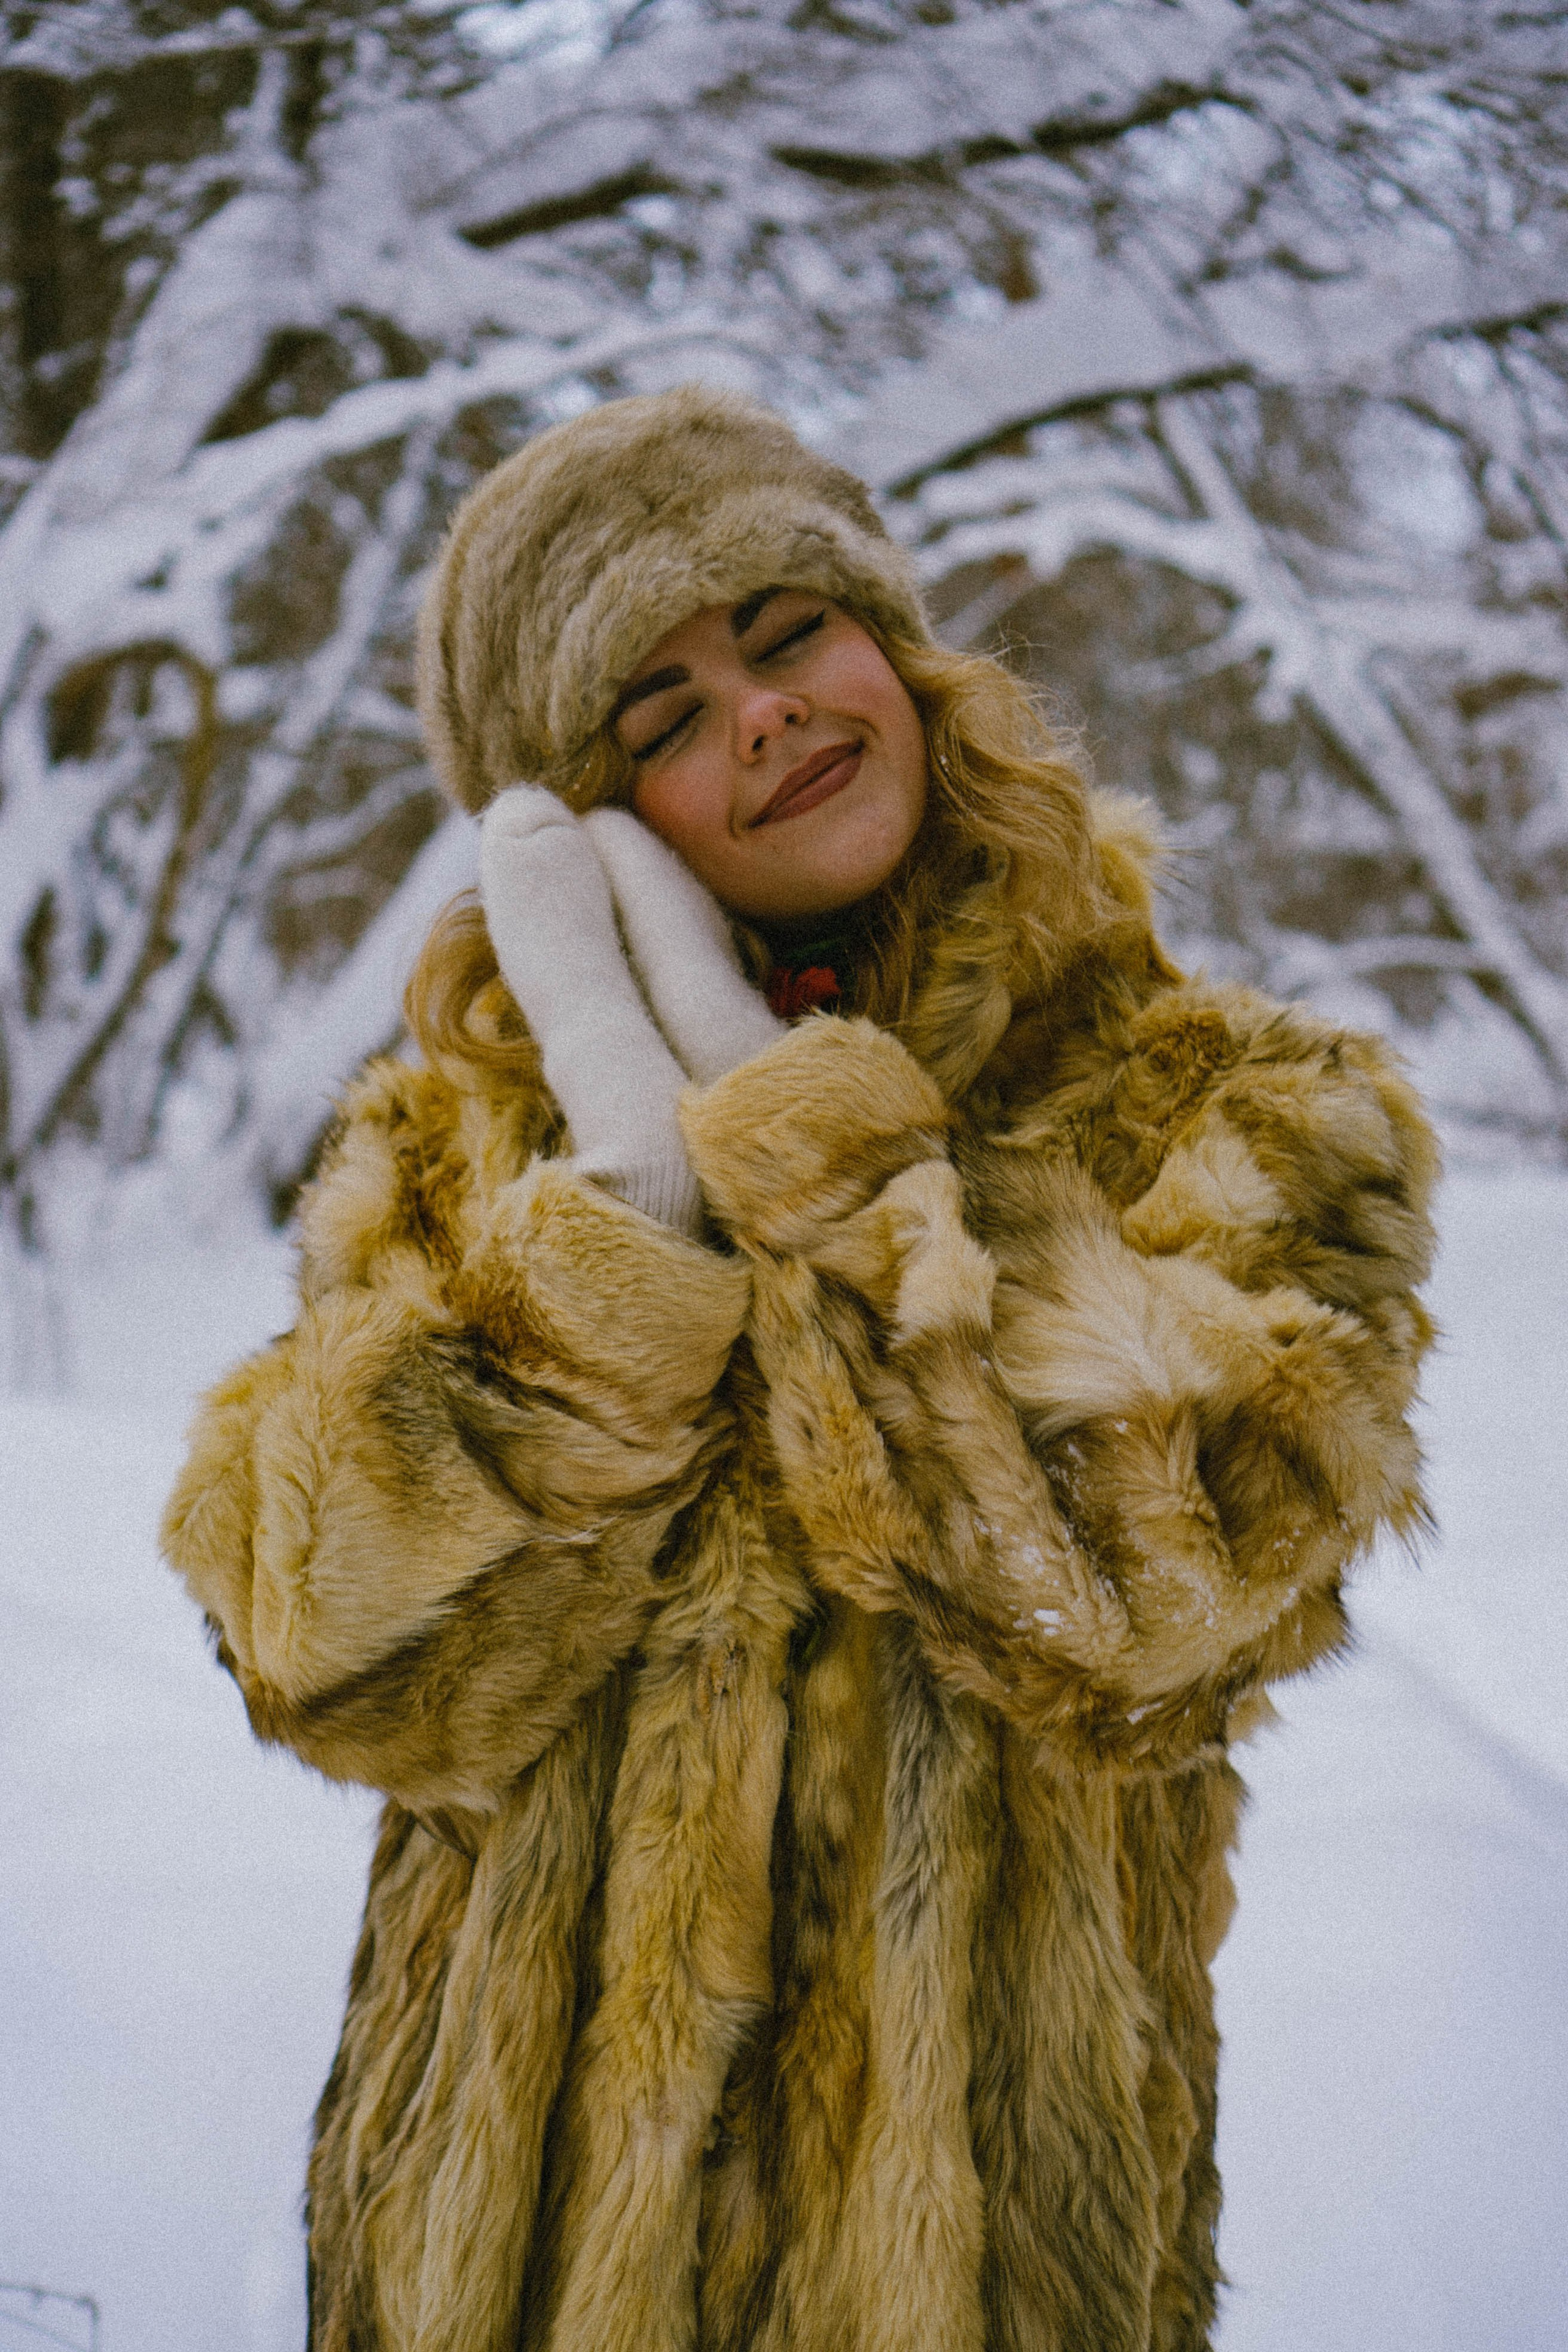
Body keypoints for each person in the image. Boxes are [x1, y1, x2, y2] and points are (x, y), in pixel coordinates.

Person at [161, 385, 1438, 2352]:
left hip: (984, 2268)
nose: (758, 712)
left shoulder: (1247, 1110)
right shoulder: (455, 1156)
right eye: (657, 718)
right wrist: (620, 1224)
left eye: (785, 634)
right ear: (586, 830)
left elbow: (1138, 1606)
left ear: (899, 655)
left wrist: (786, 1136)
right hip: (495, 2275)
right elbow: (331, 1661)